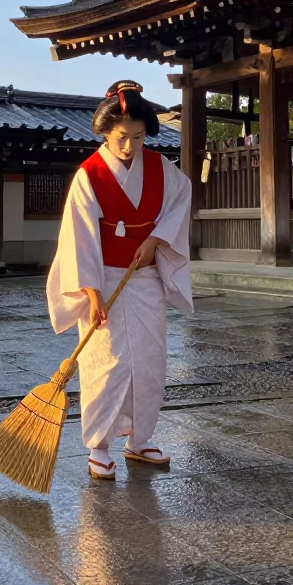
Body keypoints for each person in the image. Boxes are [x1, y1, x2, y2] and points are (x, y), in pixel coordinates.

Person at [47, 80, 193, 480]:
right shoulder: (89, 175)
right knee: (105, 364)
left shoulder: (163, 168)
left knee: (148, 361)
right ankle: (98, 444)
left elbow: (180, 203)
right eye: (122, 137)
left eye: (139, 137)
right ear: (105, 134)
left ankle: (139, 439)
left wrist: (157, 238)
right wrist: (92, 294)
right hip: (103, 280)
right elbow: (79, 237)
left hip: (143, 278)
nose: (130, 146)